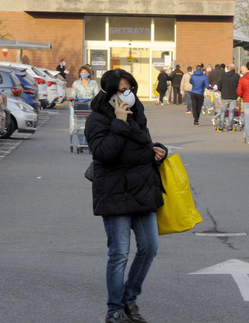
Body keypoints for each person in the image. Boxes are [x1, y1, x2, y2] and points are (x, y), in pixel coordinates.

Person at [84, 69, 168, 323]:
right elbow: (103, 154)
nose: (127, 94)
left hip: (142, 190)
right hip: (115, 193)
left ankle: (129, 299)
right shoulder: (97, 119)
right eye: (122, 90)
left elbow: (145, 143)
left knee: (150, 247)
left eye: (130, 89)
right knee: (119, 253)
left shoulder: (137, 113)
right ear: (109, 93)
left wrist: (159, 150)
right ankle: (114, 309)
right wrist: (119, 122)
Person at [216, 64, 241, 132]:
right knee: (231, 112)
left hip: (224, 95)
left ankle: (221, 127)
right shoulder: (237, 76)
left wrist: (222, 91)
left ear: (228, 69)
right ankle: (230, 127)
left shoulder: (223, 76)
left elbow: (219, 85)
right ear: (234, 69)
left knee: (223, 111)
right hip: (233, 96)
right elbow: (239, 86)